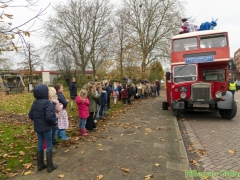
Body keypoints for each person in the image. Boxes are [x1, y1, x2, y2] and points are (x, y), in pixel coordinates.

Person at [28, 84, 58, 172]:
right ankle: (50, 166)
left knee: (40, 144)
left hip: (38, 127)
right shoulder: (47, 103)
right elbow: (49, 117)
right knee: (49, 145)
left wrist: (37, 121)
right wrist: (54, 122)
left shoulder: (35, 102)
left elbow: (31, 115)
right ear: (45, 93)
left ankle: (40, 165)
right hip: (47, 128)